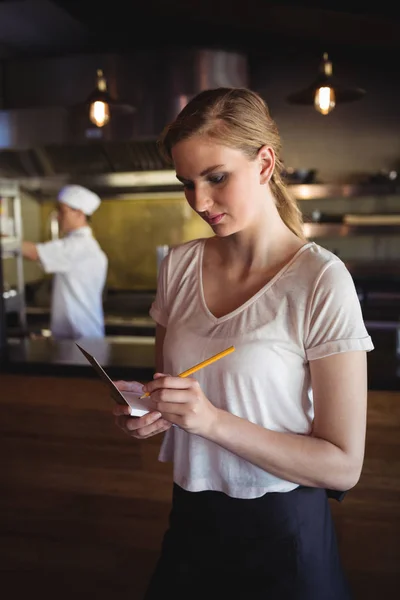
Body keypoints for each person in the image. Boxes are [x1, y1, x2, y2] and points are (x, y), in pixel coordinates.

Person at [113, 88, 373, 599]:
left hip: (283, 534)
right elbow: (175, 386)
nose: (199, 202)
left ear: (264, 163)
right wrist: (150, 409)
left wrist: (210, 420)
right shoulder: (179, 266)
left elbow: (344, 464)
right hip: (190, 520)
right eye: (187, 184)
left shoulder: (321, 279)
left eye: (216, 178)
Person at [22, 184, 108, 340]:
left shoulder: (78, 247)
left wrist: (8, 241)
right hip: (81, 338)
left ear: (79, 213)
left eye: (62, 211)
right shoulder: (83, 245)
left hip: (81, 340)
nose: (58, 217)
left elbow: (34, 252)